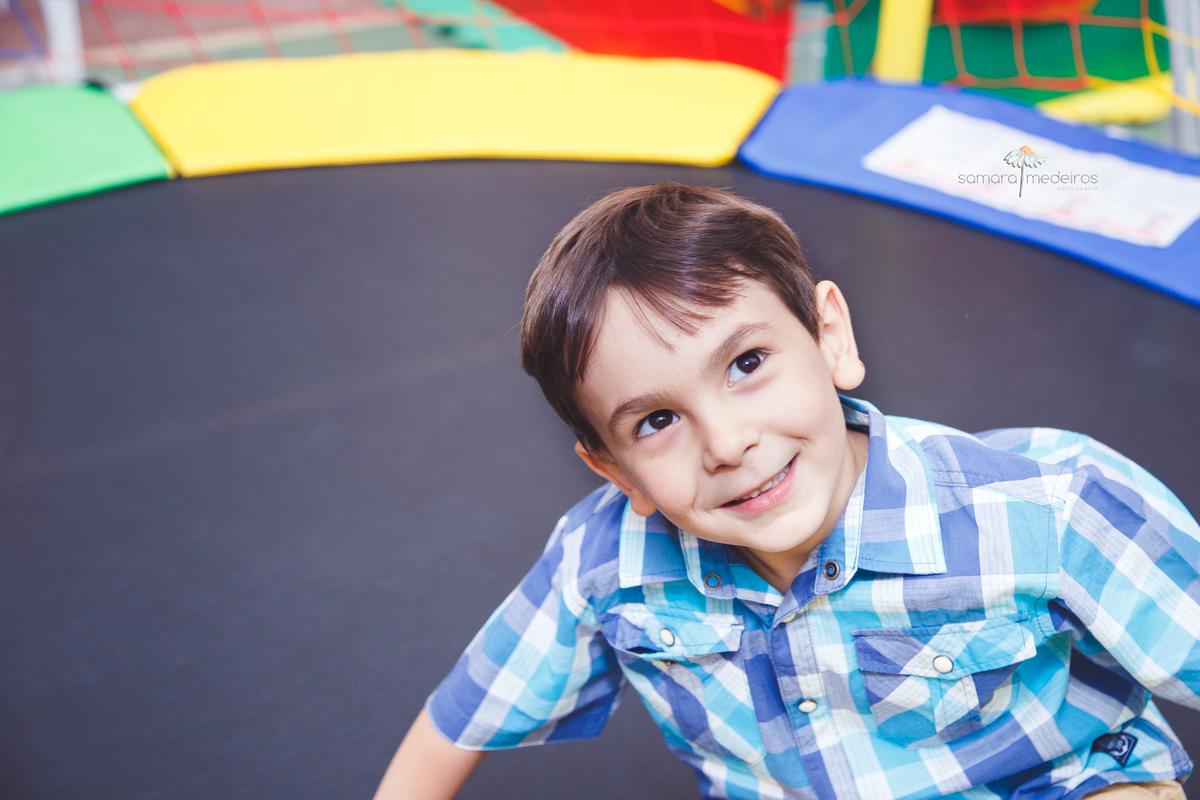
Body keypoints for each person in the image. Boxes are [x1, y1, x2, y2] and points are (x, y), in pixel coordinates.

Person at [374, 183, 1200, 800]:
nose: (727, 444)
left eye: (746, 364)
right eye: (658, 421)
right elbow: (458, 721)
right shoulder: (604, 565)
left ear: (829, 335)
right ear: (617, 473)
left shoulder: (1045, 510)